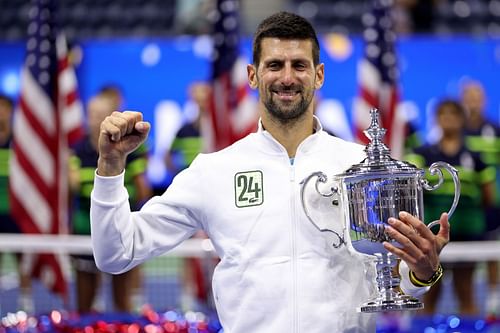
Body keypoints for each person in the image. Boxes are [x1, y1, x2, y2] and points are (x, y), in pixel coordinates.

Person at [90, 12, 450, 332]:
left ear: (319, 75)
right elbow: (116, 252)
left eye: (299, 65)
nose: (287, 77)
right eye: (275, 65)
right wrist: (110, 167)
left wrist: (422, 270)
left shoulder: (360, 166)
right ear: (253, 75)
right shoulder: (214, 170)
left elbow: (395, 276)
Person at [406, 99, 495, 315]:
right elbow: (411, 193)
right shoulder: (422, 154)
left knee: (466, 290)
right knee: (430, 291)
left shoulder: (475, 156)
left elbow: (488, 196)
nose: (448, 119)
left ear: (461, 119)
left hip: (468, 234)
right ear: (436, 119)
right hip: (431, 235)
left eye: (453, 114)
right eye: (443, 115)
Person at [70, 93, 152, 313]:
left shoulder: (132, 150)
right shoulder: (77, 150)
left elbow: (143, 189)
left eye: (100, 115)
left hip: (121, 232)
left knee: (122, 303)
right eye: (92, 114)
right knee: (84, 306)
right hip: (83, 233)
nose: (95, 119)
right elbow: (71, 187)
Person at [460, 80, 500, 316]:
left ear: (484, 100)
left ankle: (494, 303)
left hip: (492, 205)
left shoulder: (495, 130)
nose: (474, 101)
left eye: (478, 96)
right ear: (464, 99)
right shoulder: (455, 131)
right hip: (467, 207)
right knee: (463, 264)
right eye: (469, 96)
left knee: (492, 252)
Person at [0, 94, 33, 312]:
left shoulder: (23, 143)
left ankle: (25, 305)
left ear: (11, 112)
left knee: (25, 263)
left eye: (4, 109)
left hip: (17, 216)